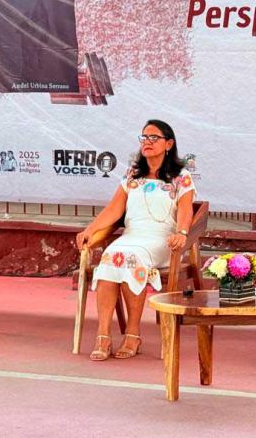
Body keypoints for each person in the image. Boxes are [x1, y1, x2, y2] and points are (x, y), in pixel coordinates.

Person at [76, 120, 195, 361]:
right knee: (110, 257)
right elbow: (114, 209)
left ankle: (133, 334)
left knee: (131, 258)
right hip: (132, 236)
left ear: (168, 144)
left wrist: (181, 234)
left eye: (154, 138)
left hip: (161, 240)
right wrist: (90, 229)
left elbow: (186, 211)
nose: (147, 143)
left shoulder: (181, 177)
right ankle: (103, 335)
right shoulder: (132, 175)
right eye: (144, 138)